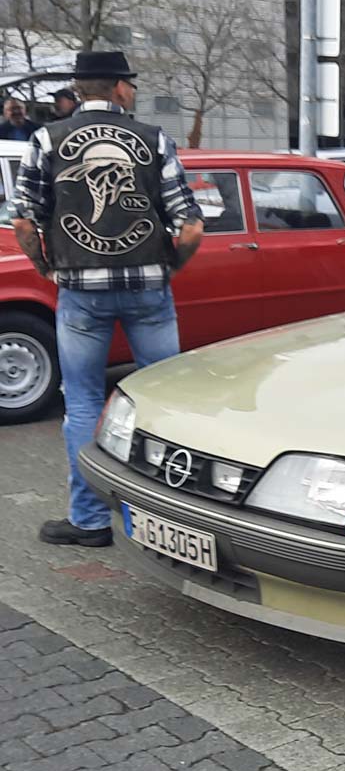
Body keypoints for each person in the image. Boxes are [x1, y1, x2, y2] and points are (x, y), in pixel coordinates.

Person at [11, 51, 204, 548]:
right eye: (131, 85)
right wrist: (170, 268)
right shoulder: (153, 138)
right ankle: (168, 520)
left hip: (81, 293)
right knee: (163, 401)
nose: (133, 92)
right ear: (119, 87)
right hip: (148, 290)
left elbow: (24, 220)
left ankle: (90, 521)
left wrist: (45, 267)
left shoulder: (47, 139)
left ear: (79, 89)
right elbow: (191, 226)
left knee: (83, 404)